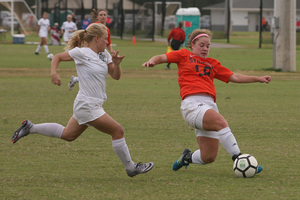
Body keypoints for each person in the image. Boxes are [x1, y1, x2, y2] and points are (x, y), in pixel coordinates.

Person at [12, 23, 154, 178]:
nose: (107, 43)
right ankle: (131, 167)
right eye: (105, 39)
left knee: (68, 135)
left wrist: (117, 64)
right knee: (117, 130)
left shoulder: (104, 54)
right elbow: (57, 57)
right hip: (87, 105)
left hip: (90, 104)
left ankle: (30, 128)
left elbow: (115, 76)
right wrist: (54, 73)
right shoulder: (81, 52)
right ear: (96, 38)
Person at [142, 29, 271, 174]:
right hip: (192, 105)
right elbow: (162, 57)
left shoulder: (212, 64)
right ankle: (239, 159)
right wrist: (152, 61)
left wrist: (258, 79)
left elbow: (234, 77)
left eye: (208, 46)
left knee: (208, 156)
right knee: (221, 123)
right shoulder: (184, 55)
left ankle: (187, 158)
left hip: (209, 107)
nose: (205, 49)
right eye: (202, 45)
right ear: (192, 44)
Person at [68, 9, 115, 91]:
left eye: (104, 15)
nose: (103, 17)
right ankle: (78, 81)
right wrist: (86, 49)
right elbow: (86, 37)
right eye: (101, 15)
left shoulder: (106, 29)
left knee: (99, 71)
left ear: (107, 17)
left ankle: (75, 79)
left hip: (100, 53)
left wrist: (111, 51)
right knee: (96, 71)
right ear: (97, 17)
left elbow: (108, 42)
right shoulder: (93, 26)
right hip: (91, 52)